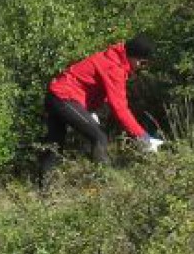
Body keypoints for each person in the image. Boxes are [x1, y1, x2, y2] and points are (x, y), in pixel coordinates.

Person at [46, 35, 162, 165]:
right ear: (132, 55)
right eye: (142, 62)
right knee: (99, 138)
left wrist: (90, 111)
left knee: (54, 147)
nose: (142, 66)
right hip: (64, 98)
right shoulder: (114, 68)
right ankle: (104, 179)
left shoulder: (114, 59)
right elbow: (119, 108)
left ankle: (45, 185)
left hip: (57, 95)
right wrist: (143, 137)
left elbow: (96, 91)